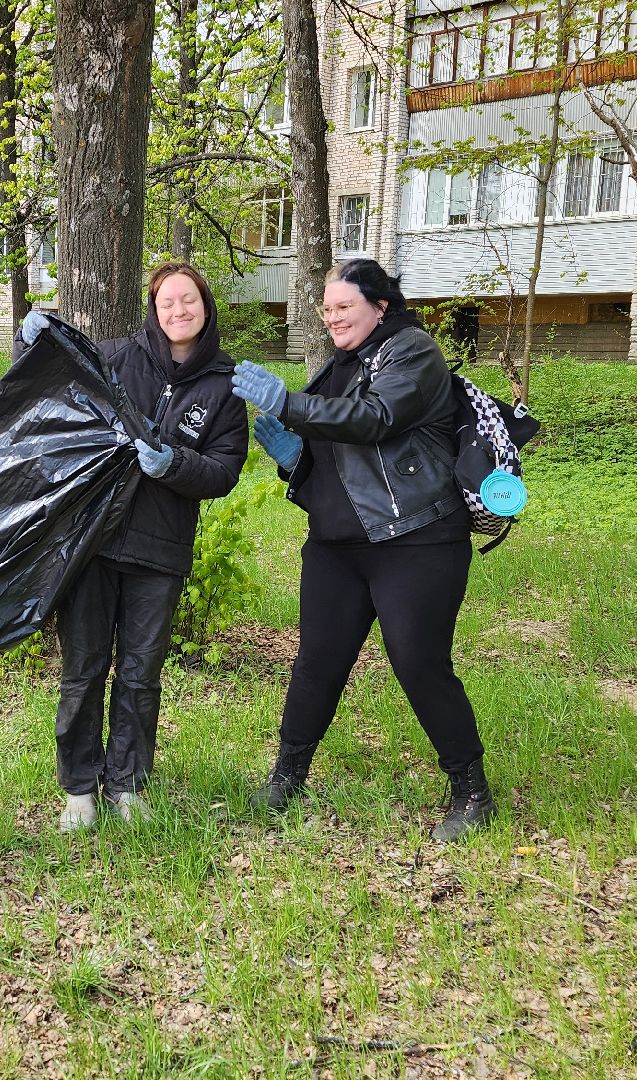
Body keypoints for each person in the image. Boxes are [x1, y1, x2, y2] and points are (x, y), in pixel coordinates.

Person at [231, 258, 495, 843]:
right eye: (326, 310)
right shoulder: (339, 367)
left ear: (380, 306)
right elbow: (335, 461)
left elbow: (374, 420)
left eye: (343, 307)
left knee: (419, 664)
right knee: (317, 662)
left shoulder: (412, 351)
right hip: (337, 547)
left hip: (415, 541)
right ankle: (287, 776)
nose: (332, 318)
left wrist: (289, 404)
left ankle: (472, 791)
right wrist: (294, 458)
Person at [21, 262, 247, 831]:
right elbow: (58, 386)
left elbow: (224, 471)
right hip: (95, 543)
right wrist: (34, 342)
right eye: (168, 301)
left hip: (161, 552)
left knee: (141, 676)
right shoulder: (118, 356)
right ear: (154, 307)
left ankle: (127, 786)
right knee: (83, 669)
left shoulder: (224, 384)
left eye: (188, 301)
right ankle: (79, 789)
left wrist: (175, 464)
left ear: (205, 305)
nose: (179, 311)